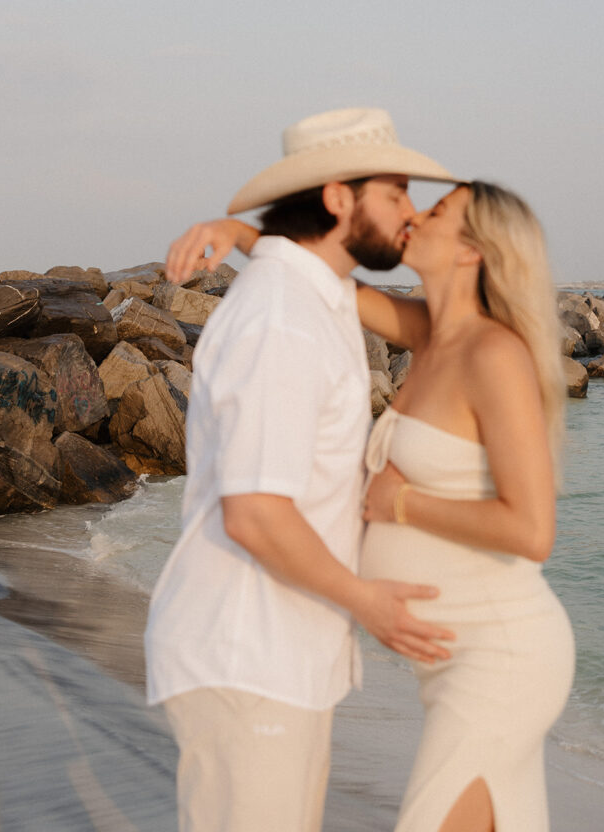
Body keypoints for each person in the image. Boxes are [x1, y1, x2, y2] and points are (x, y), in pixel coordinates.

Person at [170, 178, 574, 832]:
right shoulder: (426, 333)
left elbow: (531, 531)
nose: (413, 213)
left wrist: (403, 503)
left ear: (473, 250)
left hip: (499, 657)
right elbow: (323, 276)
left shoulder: (493, 353)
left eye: (437, 211)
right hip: (448, 658)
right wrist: (239, 234)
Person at [145, 107, 458, 832]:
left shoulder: (311, 298)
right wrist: (368, 601)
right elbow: (254, 513)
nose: (408, 215)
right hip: (248, 652)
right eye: (396, 193)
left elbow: (428, 325)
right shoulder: (282, 318)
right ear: (338, 198)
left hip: (276, 654)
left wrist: (246, 235)